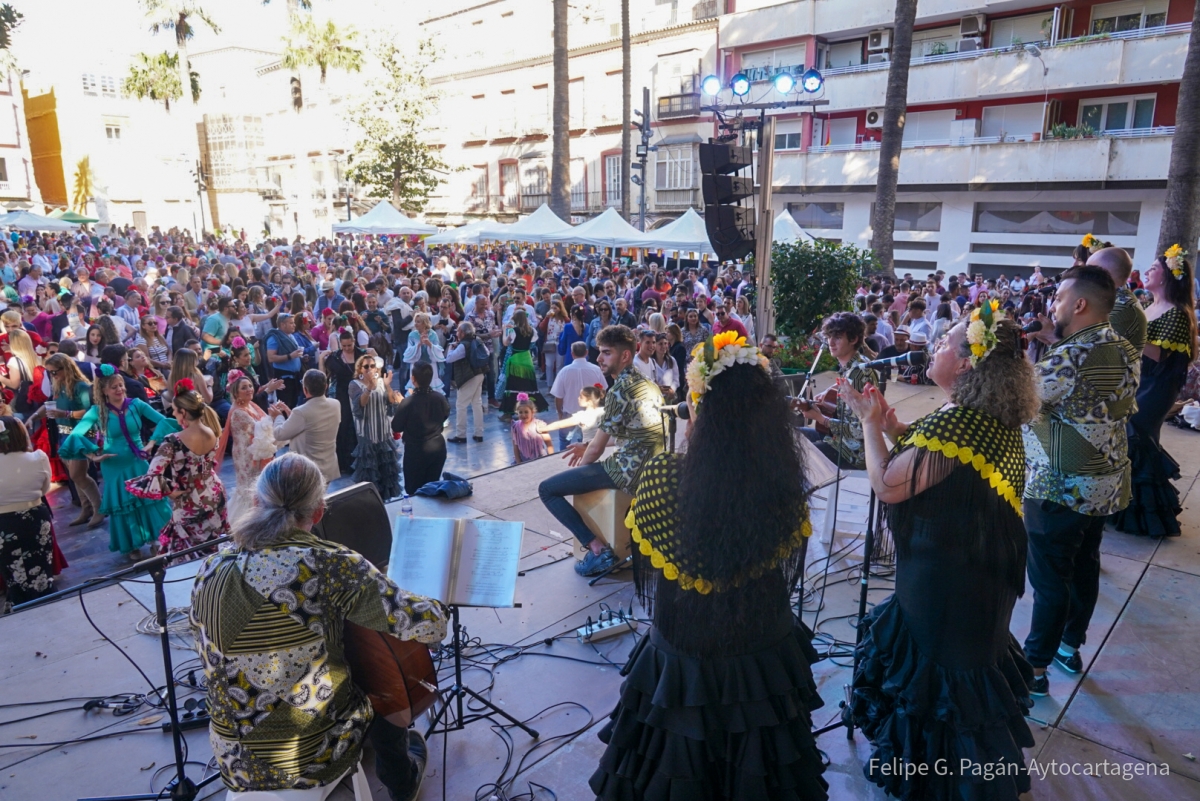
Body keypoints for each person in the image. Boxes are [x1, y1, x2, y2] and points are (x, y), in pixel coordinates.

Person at [589, 338, 827, 801]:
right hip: (761, 652)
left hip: (683, 655)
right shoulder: (782, 483)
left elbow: (649, 567)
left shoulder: (663, 476)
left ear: (700, 409)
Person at [842, 308, 1038, 800]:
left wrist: (869, 425)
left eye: (946, 342)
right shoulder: (979, 417)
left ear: (967, 363)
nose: (935, 346)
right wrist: (893, 426)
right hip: (973, 572)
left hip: (949, 578)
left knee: (941, 680)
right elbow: (937, 461)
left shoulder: (960, 425)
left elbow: (888, 485)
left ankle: (944, 778)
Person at [189, 453, 447, 797]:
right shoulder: (330, 565)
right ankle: (401, 780)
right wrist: (439, 607)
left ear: (256, 502)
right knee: (385, 679)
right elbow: (430, 626)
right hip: (308, 759)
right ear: (319, 511)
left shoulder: (210, 567)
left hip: (233, 757)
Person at [1022, 265, 1139, 696]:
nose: (1053, 307)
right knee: (1084, 565)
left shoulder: (1068, 358)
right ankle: (1069, 647)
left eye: (1058, 299)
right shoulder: (1123, 346)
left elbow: (1021, 403)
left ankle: (1034, 670)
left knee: (1051, 579)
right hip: (1104, 483)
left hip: (1060, 486)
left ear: (1079, 304)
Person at [539, 325, 665, 578]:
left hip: (629, 472)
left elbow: (596, 449)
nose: (599, 358)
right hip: (653, 468)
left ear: (625, 355)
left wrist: (582, 474)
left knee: (547, 490)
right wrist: (588, 447)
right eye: (599, 352)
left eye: (606, 353)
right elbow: (627, 433)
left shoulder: (620, 389)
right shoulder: (647, 383)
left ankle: (598, 550)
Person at [1112, 249, 1196, 538]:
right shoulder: (1149, 306)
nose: (1146, 272)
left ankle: (1145, 517)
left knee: (1137, 438)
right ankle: (1125, 508)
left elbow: (1159, 355)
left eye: (1153, 268)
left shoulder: (1178, 313)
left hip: (1157, 387)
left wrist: (1125, 335)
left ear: (1169, 275)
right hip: (1138, 381)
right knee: (1130, 441)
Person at [60, 365, 177, 560]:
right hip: (113, 465)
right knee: (122, 504)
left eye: (121, 385)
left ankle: (156, 540)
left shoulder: (137, 404)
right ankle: (131, 545)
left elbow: (164, 421)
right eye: (114, 387)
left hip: (138, 461)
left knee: (149, 501)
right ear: (104, 390)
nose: (120, 389)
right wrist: (93, 456)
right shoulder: (97, 411)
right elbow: (76, 435)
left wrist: (151, 443)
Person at [125, 380, 228, 560]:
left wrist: (170, 491)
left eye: (174, 410)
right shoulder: (212, 431)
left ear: (184, 412)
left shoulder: (173, 441)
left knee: (189, 555)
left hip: (189, 501)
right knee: (215, 548)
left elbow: (153, 474)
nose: (172, 414)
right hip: (214, 493)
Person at [798, 312, 880, 469]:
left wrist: (820, 418)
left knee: (799, 455)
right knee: (792, 435)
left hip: (854, 453)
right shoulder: (852, 367)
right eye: (829, 336)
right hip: (838, 440)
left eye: (837, 337)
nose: (831, 342)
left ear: (853, 339)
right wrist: (831, 391)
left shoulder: (859, 373)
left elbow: (859, 430)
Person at [0, 416, 57, 604]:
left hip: (3, 523)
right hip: (35, 517)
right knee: (42, 568)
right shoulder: (38, 458)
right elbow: (44, 488)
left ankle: (19, 605)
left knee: (13, 575)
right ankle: (48, 602)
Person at [43, 354, 103, 527]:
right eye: (49, 373)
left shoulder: (81, 386)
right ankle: (87, 508)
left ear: (66, 368)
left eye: (55, 372)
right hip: (65, 434)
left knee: (78, 474)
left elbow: (89, 411)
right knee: (75, 475)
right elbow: (48, 404)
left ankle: (99, 508)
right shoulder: (59, 385)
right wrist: (33, 417)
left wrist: (65, 414)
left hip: (81, 434)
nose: (52, 376)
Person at [216, 373, 276, 520]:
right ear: (236, 393)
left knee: (256, 486)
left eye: (250, 386)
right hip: (246, 457)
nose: (249, 389)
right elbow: (259, 429)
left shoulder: (251, 405)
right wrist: (273, 417)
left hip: (254, 451)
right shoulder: (238, 412)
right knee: (248, 489)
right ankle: (246, 521)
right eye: (244, 388)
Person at [270, 369, 342, 484]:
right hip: (328, 466)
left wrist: (278, 416)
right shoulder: (335, 404)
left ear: (305, 389)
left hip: (308, 470)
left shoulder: (301, 412)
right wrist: (290, 414)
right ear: (326, 386)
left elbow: (279, 434)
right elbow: (310, 424)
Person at [349, 355, 403, 500]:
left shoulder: (381, 382)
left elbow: (391, 401)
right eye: (366, 366)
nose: (369, 369)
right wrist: (369, 388)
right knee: (369, 475)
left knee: (386, 475)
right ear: (360, 369)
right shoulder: (354, 384)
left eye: (372, 366)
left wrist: (387, 386)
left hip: (384, 434)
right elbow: (359, 405)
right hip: (367, 435)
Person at [392, 363, 451, 497]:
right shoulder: (439, 398)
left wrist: (402, 404)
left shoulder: (408, 402)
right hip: (437, 448)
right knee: (432, 488)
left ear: (413, 379)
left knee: (415, 491)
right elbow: (445, 414)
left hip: (416, 452)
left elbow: (396, 426)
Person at [549, 341, 606, 451]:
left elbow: (558, 396)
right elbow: (603, 390)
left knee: (564, 442)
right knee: (587, 443)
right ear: (587, 352)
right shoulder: (596, 369)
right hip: (591, 415)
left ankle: (563, 460)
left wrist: (559, 412)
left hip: (569, 413)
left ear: (572, 354)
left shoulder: (564, 371)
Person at [1088, 246, 1147, 353]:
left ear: (1105, 274)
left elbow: (1092, 352)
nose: (1083, 277)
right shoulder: (1112, 300)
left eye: (1089, 272)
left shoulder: (1123, 308)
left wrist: (1055, 336)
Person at [321, 328, 364, 474]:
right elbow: (323, 375)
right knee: (344, 425)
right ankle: (345, 462)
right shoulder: (335, 358)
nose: (346, 348)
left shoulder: (362, 355)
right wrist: (321, 360)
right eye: (344, 346)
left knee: (359, 425)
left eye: (349, 345)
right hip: (342, 395)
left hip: (359, 393)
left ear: (354, 342)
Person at [445, 321, 488, 444]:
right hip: (480, 373)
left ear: (462, 333)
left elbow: (449, 359)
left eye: (458, 331)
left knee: (461, 405)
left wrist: (451, 347)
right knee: (477, 403)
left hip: (468, 377)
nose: (456, 333)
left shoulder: (463, 345)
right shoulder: (478, 340)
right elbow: (487, 353)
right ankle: (479, 433)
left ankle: (461, 435)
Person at [499, 308, 547, 417]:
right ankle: (530, 410)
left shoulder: (513, 331)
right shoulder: (532, 331)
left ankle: (508, 414)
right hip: (527, 359)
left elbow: (506, 343)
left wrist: (504, 331)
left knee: (513, 385)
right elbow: (533, 342)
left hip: (515, 360)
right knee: (528, 384)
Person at [264, 312, 304, 408]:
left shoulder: (291, 336)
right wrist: (290, 356)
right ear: (283, 325)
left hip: (295, 377)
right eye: (291, 323)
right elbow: (271, 358)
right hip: (284, 379)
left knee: (295, 404)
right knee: (285, 405)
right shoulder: (274, 338)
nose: (294, 325)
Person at [403, 312, 446, 394]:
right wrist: (419, 344)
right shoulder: (412, 335)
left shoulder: (433, 334)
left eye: (418, 322)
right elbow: (408, 352)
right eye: (415, 321)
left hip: (430, 366)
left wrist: (429, 344)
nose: (416, 324)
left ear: (424, 323)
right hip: (416, 366)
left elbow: (438, 350)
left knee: (431, 388)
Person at [510, 393, 553, 463]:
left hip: (540, 458)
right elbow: (515, 446)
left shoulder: (539, 425)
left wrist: (551, 458)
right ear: (517, 413)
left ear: (532, 412)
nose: (523, 415)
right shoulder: (515, 427)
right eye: (520, 412)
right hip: (524, 459)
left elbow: (549, 444)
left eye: (526, 412)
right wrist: (518, 462)